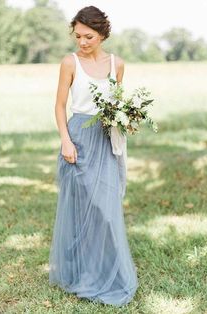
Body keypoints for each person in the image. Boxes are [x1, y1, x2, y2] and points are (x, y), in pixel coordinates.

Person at [49, 5, 138, 307]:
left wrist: (127, 118)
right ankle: (82, 273)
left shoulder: (117, 64)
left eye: (88, 36)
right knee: (82, 209)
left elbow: (118, 104)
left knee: (107, 210)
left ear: (101, 34)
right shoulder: (69, 62)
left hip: (106, 139)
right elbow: (60, 106)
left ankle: (108, 274)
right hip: (78, 139)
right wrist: (65, 140)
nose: (82, 42)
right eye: (78, 36)